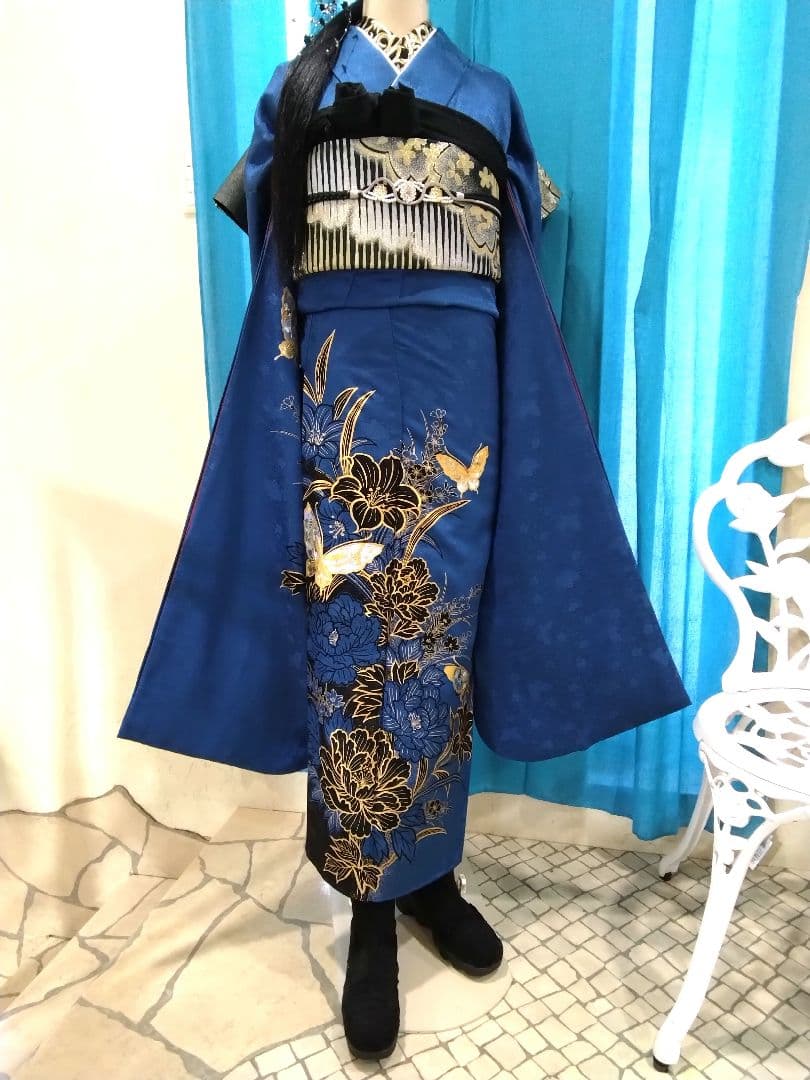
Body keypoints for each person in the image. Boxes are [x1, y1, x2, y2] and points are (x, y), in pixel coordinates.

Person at [118, 0, 690, 1060]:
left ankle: (432, 879)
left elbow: (521, 240)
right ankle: (369, 912)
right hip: (340, 409)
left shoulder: (490, 98)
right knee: (352, 662)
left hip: (458, 409)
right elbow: (270, 235)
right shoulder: (297, 89)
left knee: (436, 654)